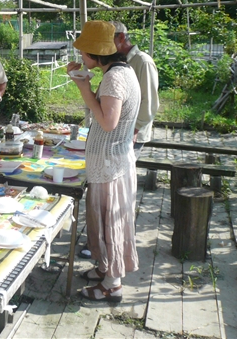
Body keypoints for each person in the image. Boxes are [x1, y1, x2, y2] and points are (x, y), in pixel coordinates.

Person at [67, 21, 141, 303]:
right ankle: (104, 268)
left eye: (83, 51)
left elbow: (108, 122)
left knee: (111, 222)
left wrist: (83, 87)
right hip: (111, 162)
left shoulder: (114, 78)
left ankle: (112, 284)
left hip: (111, 165)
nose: (80, 55)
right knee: (103, 219)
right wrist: (84, 84)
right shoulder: (121, 71)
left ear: (94, 53)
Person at [111, 21, 160, 158]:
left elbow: (150, 102)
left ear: (121, 37)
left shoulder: (143, 61)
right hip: (119, 131)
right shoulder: (119, 60)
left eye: (107, 40)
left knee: (124, 169)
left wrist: (135, 129)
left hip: (133, 134)